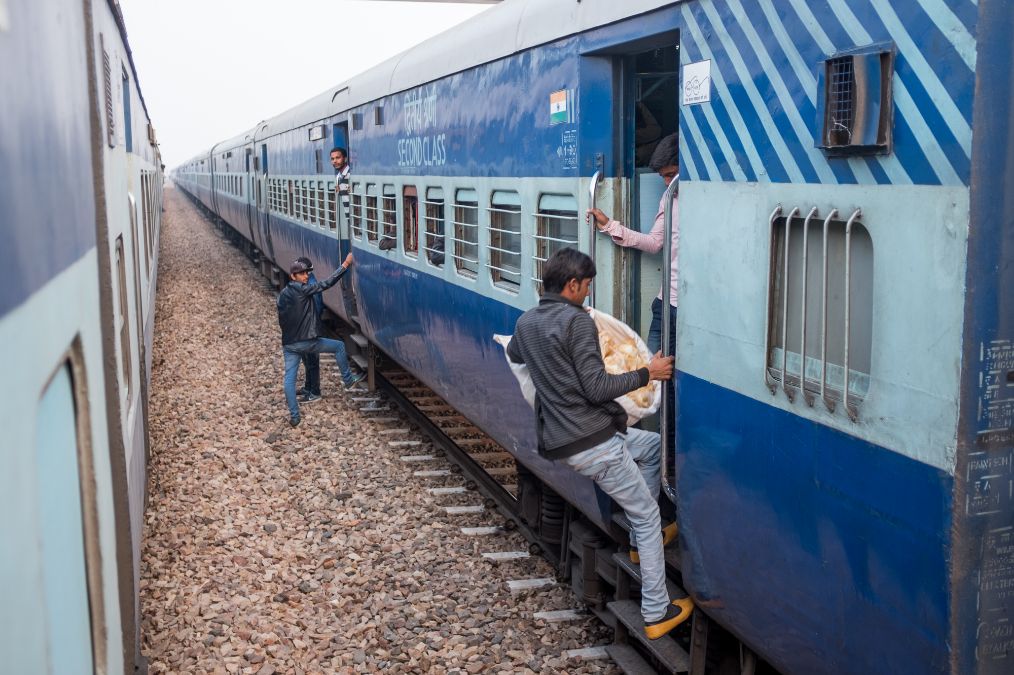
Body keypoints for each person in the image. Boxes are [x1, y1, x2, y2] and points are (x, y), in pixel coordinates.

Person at [506, 247, 693, 640]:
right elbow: (597, 388)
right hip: (594, 442)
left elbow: (515, 354)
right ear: (572, 285)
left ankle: (648, 546)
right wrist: (649, 372)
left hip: (566, 441)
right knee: (644, 514)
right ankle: (657, 610)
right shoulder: (577, 324)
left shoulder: (526, 323)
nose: (589, 294)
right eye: (587, 286)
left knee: (652, 449)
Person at [277, 255, 365, 427]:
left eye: (306, 273)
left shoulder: (282, 295)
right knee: (339, 346)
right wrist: (345, 265)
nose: (305, 276)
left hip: (289, 345)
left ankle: (295, 416)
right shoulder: (303, 290)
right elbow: (327, 283)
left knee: (289, 379)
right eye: (301, 274)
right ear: (293, 276)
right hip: (306, 342)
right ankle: (347, 380)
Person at [293, 256, 323, 404]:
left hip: (310, 330)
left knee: (312, 360)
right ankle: (308, 387)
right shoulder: (307, 284)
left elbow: (316, 309)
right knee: (306, 358)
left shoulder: (312, 286)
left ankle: (315, 392)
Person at [330, 147, 351, 225]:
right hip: (349, 221)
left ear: (345, 159)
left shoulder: (350, 175)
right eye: (332, 159)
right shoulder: (339, 176)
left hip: (356, 220)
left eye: (338, 158)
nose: (335, 161)